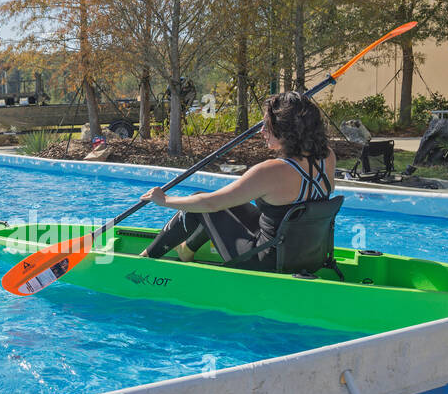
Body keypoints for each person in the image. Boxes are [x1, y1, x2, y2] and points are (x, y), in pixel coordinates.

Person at [138, 91, 338, 270]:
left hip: (266, 260)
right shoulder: (328, 156)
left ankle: (143, 261)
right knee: (222, 205)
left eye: (266, 126)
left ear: (286, 130)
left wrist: (164, 200)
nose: (261, 132)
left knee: (202, 201)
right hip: (309, 255)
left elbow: (211, 203)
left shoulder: (272, 171)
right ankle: (187, 249)